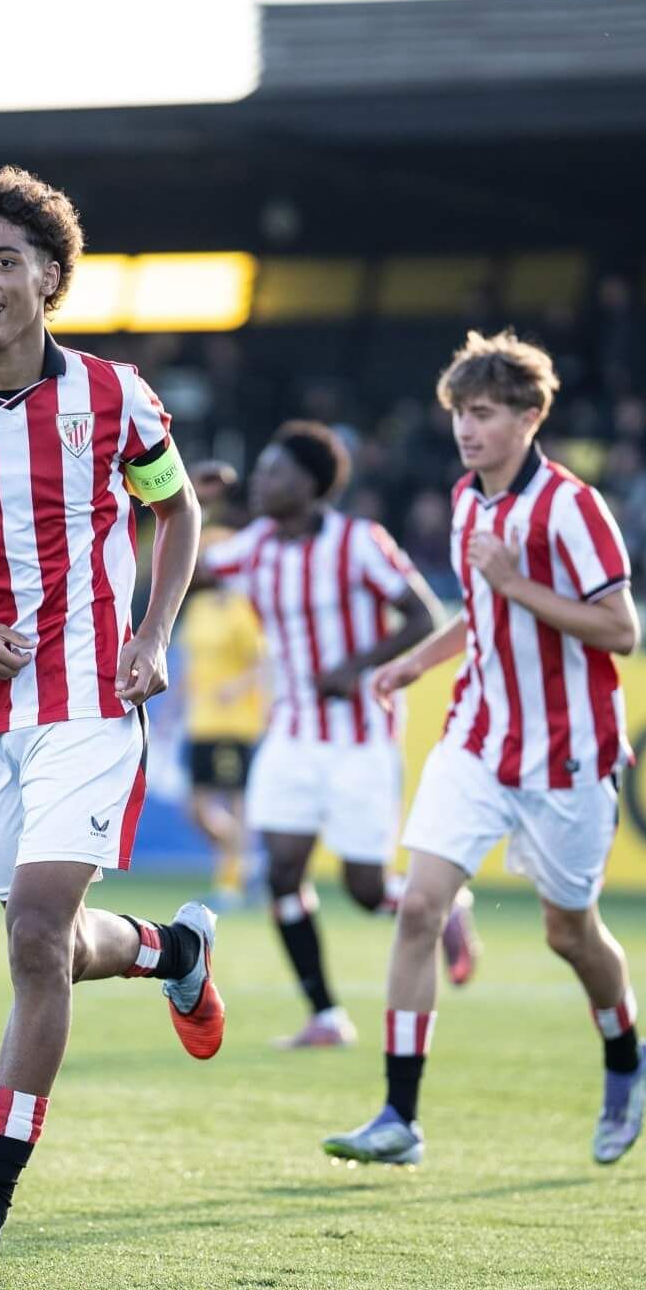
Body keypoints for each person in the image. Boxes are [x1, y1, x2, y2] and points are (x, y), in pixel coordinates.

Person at [0, 163, 221, 1273]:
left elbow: (178, 511)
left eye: (2, 261)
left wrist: (153, 633)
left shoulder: (112, 396)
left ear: (50, 278)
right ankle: (173, 950)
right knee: (54, 950)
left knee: (28, 936)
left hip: (89, 703)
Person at [322, 329, 646, 1170]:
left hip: (568, 758)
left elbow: (621, 629)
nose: (467, 430)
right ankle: (399, 1116)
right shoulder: (471, 499)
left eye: (484, 414)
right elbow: (482, 616)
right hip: (476, 739)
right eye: (460, 415)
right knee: (420, 907)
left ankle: (626, 1057)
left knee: (570, 935)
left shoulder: (573, 508)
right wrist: (415, 658)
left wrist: (517, 585)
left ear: (530, 416)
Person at [201, 422, 457, 1050]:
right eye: (260, 471)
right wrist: (190, 500)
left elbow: (426, 615)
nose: (261, 482)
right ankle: (325, 1015)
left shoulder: (359, 543)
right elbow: (179, 570)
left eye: (275, 471)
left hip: (360, 736)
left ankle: (445, 909)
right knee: (282, 873)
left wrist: (357, 666)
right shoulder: (253, 546)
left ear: (312, 484)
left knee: (365, 890)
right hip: (289, 733)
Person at [178, 461, 264, 912]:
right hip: (200, 720)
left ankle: (232, 882)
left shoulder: (242, 609)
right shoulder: (199, 608)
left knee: (235, 803)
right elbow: (190, 664)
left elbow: (263, 661)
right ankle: (247, 860)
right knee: (196, 807)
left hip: (235, 720)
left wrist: (238, 687)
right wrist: (175, 706)